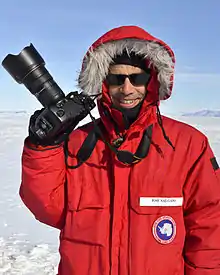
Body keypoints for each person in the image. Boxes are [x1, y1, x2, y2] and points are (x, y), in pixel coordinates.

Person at [20, 25, 220, 275]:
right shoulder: (78, 142)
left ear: (153, 82)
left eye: (137, 78)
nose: (127, 89)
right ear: (103, 83)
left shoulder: (187, 144)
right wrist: (43, 147)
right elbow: (48, 208)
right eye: (117, 79)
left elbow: (209, 226)